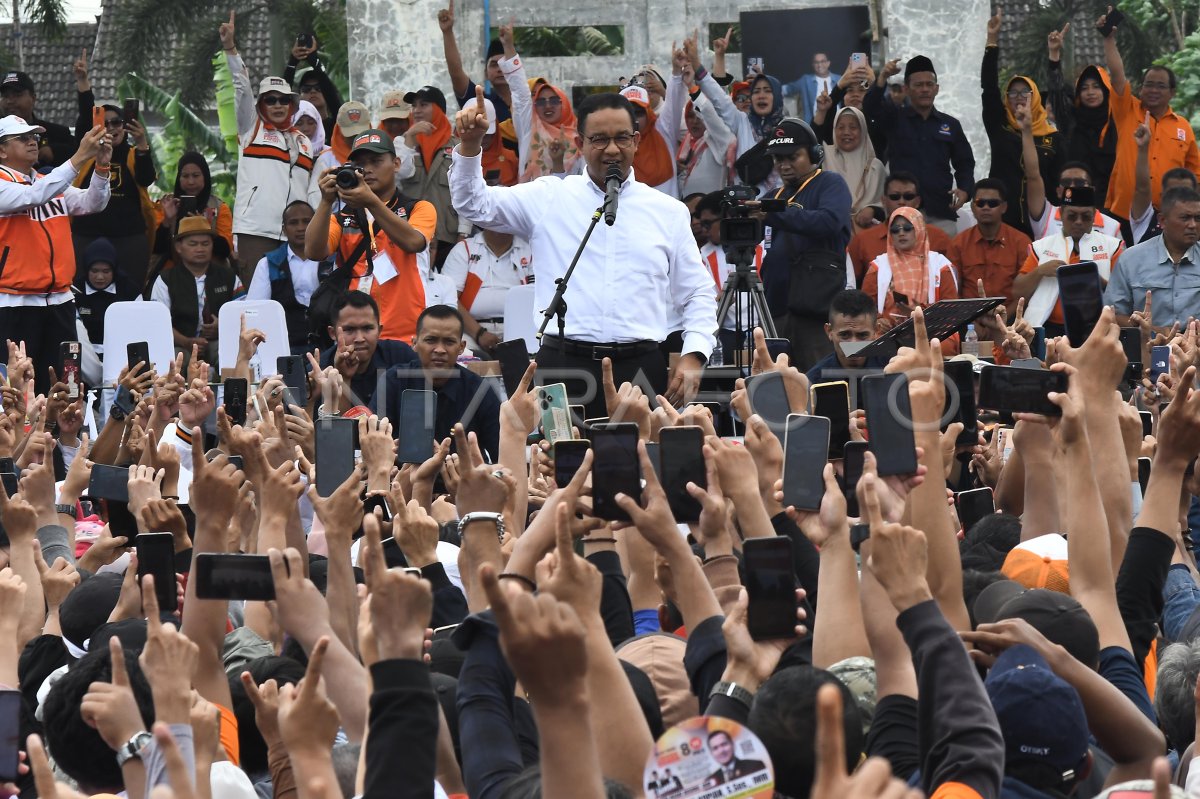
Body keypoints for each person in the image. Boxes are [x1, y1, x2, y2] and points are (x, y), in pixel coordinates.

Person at [450, 88, 716, 414]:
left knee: (641, 462)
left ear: (636, 141)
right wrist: (470, 145)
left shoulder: (668, 211)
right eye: (599, 140)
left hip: (640, 368)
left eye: (622, 138)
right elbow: (473, 205)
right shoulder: (550, 197)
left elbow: (699, 292)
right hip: (560, 365)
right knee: (556, 461)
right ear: (580, 144)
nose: (612, 149)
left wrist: (695, 354)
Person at [0, 115, 109, 394]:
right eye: (22, 138)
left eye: (34, 137)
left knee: (65, 385)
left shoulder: (49, 180)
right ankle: (19, 439)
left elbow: (92, 202)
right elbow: (33, 196)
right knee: (20, 389)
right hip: (15, 304)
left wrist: (101, 166)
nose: (32, 142)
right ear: (1, 150)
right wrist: (80, 156)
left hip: (60, 300)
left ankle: (66, 438)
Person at [307, 129, 437, 342]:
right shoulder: (342, 217)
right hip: (356, 337)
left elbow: (414, 242)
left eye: (376, 161)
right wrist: (325, 201)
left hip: (407, 334)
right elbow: (313, 252)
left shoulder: (419, 208)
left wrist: (370, 202)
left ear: (396, 164)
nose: (367, 169)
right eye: (360, 164)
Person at [221, 10, 316, 287]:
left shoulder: (303, 141)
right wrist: (230, 49)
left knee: (295, 297)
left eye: (283, 100)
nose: (277, 105)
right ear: (261, 104)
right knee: (257, 299)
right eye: (270, 100)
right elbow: (241, 87)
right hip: (256, 229)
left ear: (291, 105)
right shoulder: (251, 128)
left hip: (297, 232)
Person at [756, 118, 852, 369]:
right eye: (778, 159)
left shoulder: (830, 183)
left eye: (792, 157)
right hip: (776, 307)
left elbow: (828, 221)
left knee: (820, 388)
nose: (784, 165)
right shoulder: (773, 196)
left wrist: (774, 214)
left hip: (815, 310)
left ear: (814, 154)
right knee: (775, 390)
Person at [1098, 8, 1200, 221]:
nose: (1153, 90)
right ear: (1141, 88)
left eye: (1160, 86)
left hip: (1168, 215)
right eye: (1149, 85)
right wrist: (1109, 40)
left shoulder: (1183, 127)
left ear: (1172, 92)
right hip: (1123, 212)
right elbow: (1117, 75)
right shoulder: (1127, 109)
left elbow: (1195, 176)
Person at [865, 55, 975, 237]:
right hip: (903, 214)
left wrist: (965, 190)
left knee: (942, 265)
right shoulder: (894, 118)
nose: (925, 89)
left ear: (937, 88)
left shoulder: (950, 125)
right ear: (907, 89)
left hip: (941, 213)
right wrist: (882, 78)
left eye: (929, 84)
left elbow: (965, 163)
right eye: (918, 85)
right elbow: (870, 109)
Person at [373, 305, 501, 461]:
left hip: (462, 482)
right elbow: (375, 451)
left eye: (449, 342)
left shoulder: (480, 391)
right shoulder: (392, 382)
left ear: (461, 347)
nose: (440, 349)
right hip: (402, 481)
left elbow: (502, 459)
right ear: (414, 343)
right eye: (431, 340)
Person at [69, 81, 157, 291]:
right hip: (86, 236)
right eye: (105, 123)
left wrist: (142, 142)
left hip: (128, 238)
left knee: (131, 292)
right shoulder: (86, 155)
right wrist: (83, 85)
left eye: (117, 122)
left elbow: (146, 179)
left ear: (124, 126)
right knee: (81, 294)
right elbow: (83, 117)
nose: (111, 128)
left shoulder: (134, 154)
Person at [982, 11, 1064, 235]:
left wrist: (1054, 56)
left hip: (1041, 223)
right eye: (1012, 92)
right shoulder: (1000, 126)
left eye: (1024, 92)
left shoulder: (1052, 137)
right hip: (1002, 220)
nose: (1018, 96)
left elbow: (1059, 182)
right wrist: (991, 41)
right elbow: (989, 89)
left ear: (1035, 96)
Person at [1014, 184, 1123, 338]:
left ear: (1094, 215)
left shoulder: (1112, 246)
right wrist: (1040, 271)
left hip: (1096, 329)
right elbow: (1017, 291)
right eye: (1072, 216)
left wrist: (1096, 280)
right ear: (1061, 213)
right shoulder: (1042, 247)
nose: (1078, 222)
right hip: (1048, 328)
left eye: (1085, 216)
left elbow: (1123, 295)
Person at [1105, 187, 1200, 331]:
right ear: (1162, 221)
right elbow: (1112, 316)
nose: (1193, 225)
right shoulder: (1131, 260)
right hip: (1146, 349)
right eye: (1185, 218)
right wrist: (1151, 331)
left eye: (1198, 218)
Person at [151, 216, 242, 361]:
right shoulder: (166, 279)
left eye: (205, 243)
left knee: (231, 354)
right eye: (193, 244)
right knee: (174, 359)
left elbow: (244, 315)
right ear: (178, 247)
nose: (200, 249)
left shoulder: (229, 277)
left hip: (221, 342)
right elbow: (158, 322)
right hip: (179, 345)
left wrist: (223, 326)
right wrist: (186, 342)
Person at [1044, 25, 1118, 204]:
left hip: (1113, 198)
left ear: (1106, 90)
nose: (1090, 92)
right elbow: (1057, 92)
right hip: (1076, 199)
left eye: (1096, 87)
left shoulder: (1117, 121)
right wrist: (1054, 55)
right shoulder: (1071, 119)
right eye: (1084, 88)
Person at [497, 29, 581, 181]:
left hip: (569, 202)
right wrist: (509, 46)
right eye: (541, 102)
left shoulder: (580, 138)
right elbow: (519, 91)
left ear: (565, 104)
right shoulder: (529, 127)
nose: (548, 106)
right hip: (531, 201)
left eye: (554, 101)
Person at [246, 200, 330, 352]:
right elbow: (254, 311)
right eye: (293, 223)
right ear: (284, 229)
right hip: (284, 348)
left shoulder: (332, 260)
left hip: (328, 346)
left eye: (307, 221)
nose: (301, 228)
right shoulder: (268, 264)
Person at [398, 85, 466, 267]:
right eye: (414, 106)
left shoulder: (458, 146)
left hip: (447, 236)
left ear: (438, 109)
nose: (417, 110)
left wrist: (463, 233)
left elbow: (465, 190)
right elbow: (400, 173)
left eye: (423, 105)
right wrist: (410, 137)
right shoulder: (403, 143)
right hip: (410, 233)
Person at [861, 207, 959, 333]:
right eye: (895, 230)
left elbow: (951, 311)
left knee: (947, 343)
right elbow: (865, 307)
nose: (901, 233)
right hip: (887, 334)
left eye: (907, 228)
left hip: (932, 331)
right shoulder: (878, 266)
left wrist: (920, 313)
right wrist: (877, 320)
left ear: (919, 228)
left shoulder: (940, 265)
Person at [845, 171, 953, 286]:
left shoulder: (939, 237)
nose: (901, 201)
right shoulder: (863, 240)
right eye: (895, 197)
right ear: (884, 201)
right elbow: (851, 283)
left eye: (908, 196)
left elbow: (951, 280)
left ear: (918, 202)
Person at [319, 290, 420, 411]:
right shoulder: (319, 371)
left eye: (367, 328)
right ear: (332, 333)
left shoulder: (401, 357)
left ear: (379, 330)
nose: (359, 338)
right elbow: (333, 428)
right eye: (349, 329)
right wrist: (343, 377)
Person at [441, 226, 533, 355]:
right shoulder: (464, 249)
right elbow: (449, 299)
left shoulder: (529, 251)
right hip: (470, 332)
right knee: (461, 357)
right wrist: (479, 333)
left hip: (519, 331)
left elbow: (537, 297)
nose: (501, 220)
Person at [695, 191, 764, 354]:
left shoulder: (761, 251)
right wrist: (718, 300)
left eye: (708, 223)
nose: (705, 231)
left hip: (759, 331)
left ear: (726, 218)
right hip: (723, 334)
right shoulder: (704, 254)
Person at [948, 179, 1033, 304]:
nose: (986, 207)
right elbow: (954, 291)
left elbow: (1027, 291)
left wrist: (1004, 319)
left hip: (1011, 318)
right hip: (969, 319)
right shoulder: (958, 244)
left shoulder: (1021, 242)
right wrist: (972, 321)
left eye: (992, 203)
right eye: (980, 203)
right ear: (972, 207)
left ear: (1004, 207)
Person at [438, 0, 512, 123]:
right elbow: (456, 73)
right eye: (494, 64)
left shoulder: (531, 101)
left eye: (504, 63)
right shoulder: (481, 103)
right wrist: (447, 32)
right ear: (486, 74)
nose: (500, 68)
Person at [153, 152, 234, 261]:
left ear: (205, 176)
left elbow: (225, 250)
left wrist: (203, 227)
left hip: (210, 273)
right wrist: (167, 221)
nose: (191, 182)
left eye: (196, 176)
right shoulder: (166, 205)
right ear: (179, 178)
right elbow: (155, 248)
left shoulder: (219, 208)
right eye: (185, 176)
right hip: (170, 273)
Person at [804, 288, 889, 384]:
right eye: (845, 335)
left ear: (876, 331)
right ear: (829, 331)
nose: (853, 344)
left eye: (862, 335)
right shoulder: (814, 383)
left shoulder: (892, 372)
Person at [824, 107, 885, 235]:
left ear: (863, 130)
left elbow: (886, 204)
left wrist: (872, 210)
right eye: (840, 127)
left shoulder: (876, 167)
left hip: (868, 235)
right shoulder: (824, 159)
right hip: (832, 234)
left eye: (853, 127)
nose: (846, 132)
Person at [621, 77, 685, 195]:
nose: (634, 119)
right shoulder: (613, 147)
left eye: (639, 113)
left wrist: (676, 72)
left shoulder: (664, 130)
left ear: (648, 113)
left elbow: (675, 100)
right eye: (629, 113)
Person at [73, 237, 138, 349]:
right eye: (94, 271)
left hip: (121, 349)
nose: (100, 277)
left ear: (114, 270)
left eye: (106, 271)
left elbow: (137, 326)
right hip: (84, 352)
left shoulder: (130, 291)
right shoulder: (75, 291)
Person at [0, 70, 73, 167]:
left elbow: (80, 149)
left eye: (17, 95)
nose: (10, 101)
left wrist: (54, 151)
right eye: (5, 96)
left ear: (33, 98)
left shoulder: (58, 133)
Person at [676, 85, 736, 198]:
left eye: (699, 116)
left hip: (713, 212)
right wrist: (678, 170)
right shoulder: (686, 144)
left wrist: (692, 87)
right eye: (690, 116)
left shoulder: (719, 140)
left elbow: (709, 114)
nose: (695, 121)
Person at [284, 34, 344, 141]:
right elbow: (281, 100)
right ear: (299, 96)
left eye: (318, 88)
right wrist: (292, 63)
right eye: (306, 89)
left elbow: (334, 101)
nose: (312, 91)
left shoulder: (337, 125)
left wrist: (316, 63)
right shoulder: (294, 127)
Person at [782, 53, 841, 124]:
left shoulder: (839, 79)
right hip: (814, 124)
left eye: (822, 61)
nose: (819, 65)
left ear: (828, 63)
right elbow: (788, 89)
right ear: (813, 65)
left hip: (837, 123)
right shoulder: (806, 80)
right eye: (816, 62)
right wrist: (770, 88)